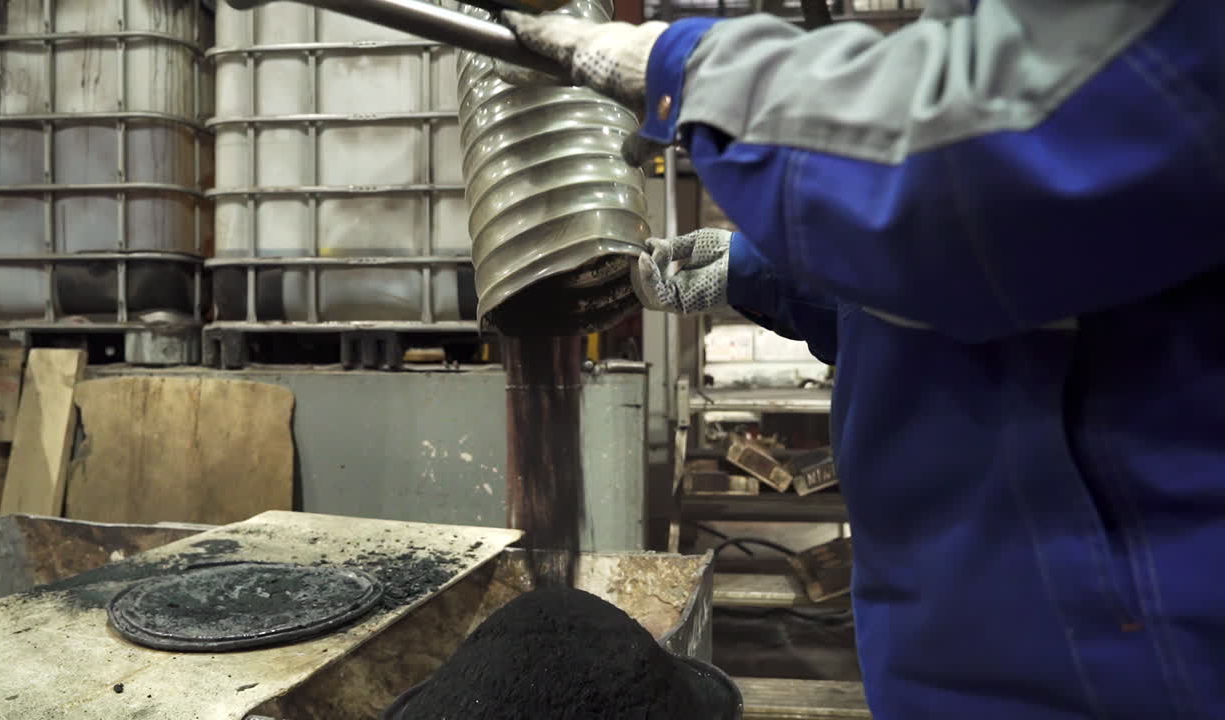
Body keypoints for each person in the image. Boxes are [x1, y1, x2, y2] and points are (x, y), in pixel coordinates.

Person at [500, 1, 1225, 718]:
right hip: (985, 640)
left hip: (1122, 661)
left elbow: (976, 182)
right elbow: (983, 290)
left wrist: (688, 67)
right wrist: (756, 273)